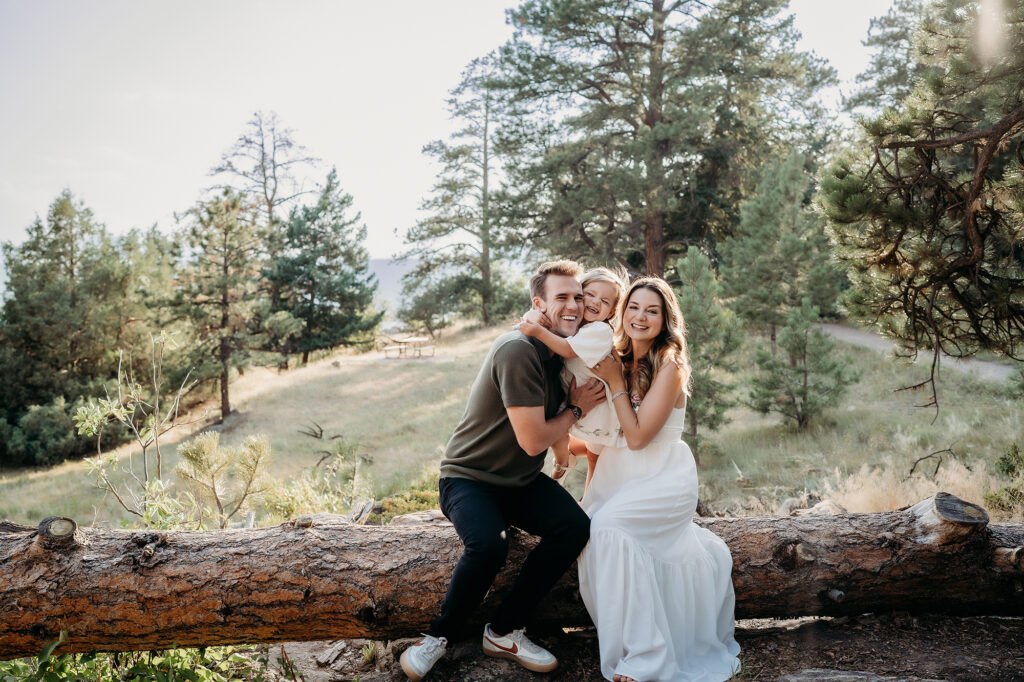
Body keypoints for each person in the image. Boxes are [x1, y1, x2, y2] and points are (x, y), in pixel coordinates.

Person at [400, 260, 607, 682]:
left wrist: (565, 456)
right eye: (561, 298)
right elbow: (534, 441)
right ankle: (437, 638)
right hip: (469, 478)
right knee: (489, 547)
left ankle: (504, 630)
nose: (573, 306)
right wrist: (578, 407)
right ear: (539, 304)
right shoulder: (518, 350)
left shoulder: (558, 356)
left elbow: (548, 435)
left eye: (578, 297)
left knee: (574, 527)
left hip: (519, 481)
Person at [581, 276, 741, 682]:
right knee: (590, 533)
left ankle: (647, 657)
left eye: (652, 311)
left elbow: (636, 437)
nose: (640, 316)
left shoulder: (669, 364)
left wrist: (616, 383)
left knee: (611, 528)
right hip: (619, 477)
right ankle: (630, 637)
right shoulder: (614, 355)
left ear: (665, 319)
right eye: (634, 307)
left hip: (663, 478)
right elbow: (602, 431)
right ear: (622, 312)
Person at [518, 266, 627, 489]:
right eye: (590, 295)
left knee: (596, 459)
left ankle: (590, 502)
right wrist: (534, 315)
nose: (596, 302)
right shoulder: (577, 324)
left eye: (605, 301)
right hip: (572, 397)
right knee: (558, 433)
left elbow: (567, 350)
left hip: (597, 405)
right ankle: (564, 461)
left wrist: (537, 330)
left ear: (612, 312)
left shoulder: (599, 330)